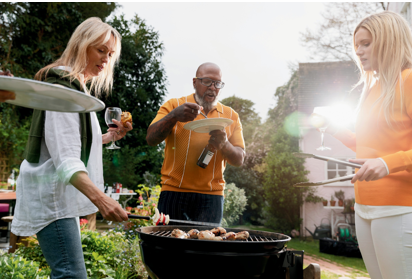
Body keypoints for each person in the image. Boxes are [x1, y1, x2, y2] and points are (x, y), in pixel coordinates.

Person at [11, 17, 131, 279]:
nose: (106, 59)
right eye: (101, 50)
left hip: (58, 197)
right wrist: (101, 199)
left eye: (110, 54)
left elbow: (68, 143)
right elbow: (66, 160)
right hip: (53, 199)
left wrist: (109, 138)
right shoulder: (63, 90)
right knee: (71, 275)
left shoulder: (75, 87)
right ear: (81, 45)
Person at [326, 11, 412, 279]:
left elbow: (384, 159)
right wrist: (335, 130)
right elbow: (370, 148)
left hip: (398, 207)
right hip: (363, 208)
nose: (359, 52)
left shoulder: (409, 80)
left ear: (389, 41)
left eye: (366, 43)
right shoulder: (373, 89)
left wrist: (388, 164)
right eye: (356, 46)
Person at [146, 62, 245, 224]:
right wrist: (173, 116)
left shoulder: (230, 116)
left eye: (217, 83)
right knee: (169, 247)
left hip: (211, 197)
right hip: (173, 192)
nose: (212, 87)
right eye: (207, 81)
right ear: (194, 82)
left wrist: (224, 144)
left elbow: (239, 160)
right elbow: (150, 139)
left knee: (206, 248)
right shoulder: (174, 106)